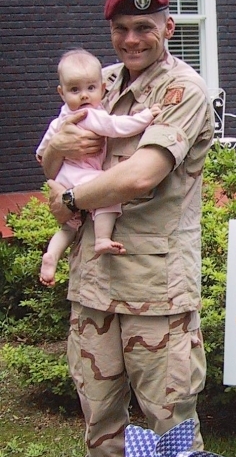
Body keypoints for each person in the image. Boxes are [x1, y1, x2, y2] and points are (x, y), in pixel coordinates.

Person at [40, 0, 214, 457]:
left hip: (155, 283)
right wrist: (56, 164)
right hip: (94, 279)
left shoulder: (184, 90)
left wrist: (70, 199)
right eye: (122, 30)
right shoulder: (101, 86)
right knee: (100, 404)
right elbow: (51, 160)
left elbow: (141, 176)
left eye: (145, 27)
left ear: (167, 26)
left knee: (167, 408)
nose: (133, 39)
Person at [37, 48, 161, 286]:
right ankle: (103, 238)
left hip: (65, 176)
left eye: (90, 89)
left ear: (102, 88)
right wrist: (146, 117)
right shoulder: (91, 114)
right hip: (82, 175)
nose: (84, 96)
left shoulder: (60, 120)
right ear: (61, 93)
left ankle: (52, 256)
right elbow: (118, 126)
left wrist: (52, 150)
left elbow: (44, 151)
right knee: (107, 196)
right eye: (75, 90)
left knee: (69, 226)